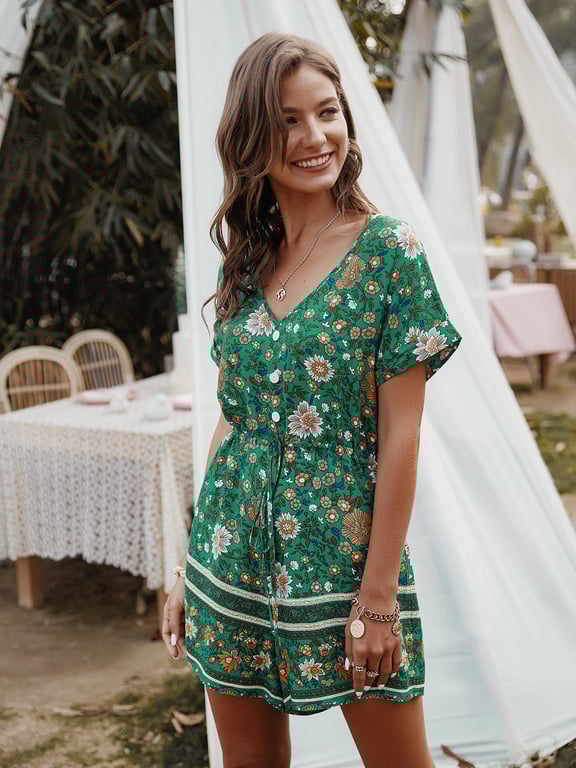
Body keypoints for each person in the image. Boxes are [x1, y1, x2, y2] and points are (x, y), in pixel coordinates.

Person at [163, 32, 462, 768]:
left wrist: (378, 597)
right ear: (251, 137)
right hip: (230, 558)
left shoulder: (388, 252)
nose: (315, 136)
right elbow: (236, 421)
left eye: (327, 112)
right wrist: (191, 565)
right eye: (288, 120)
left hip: (345, 563)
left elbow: (401, 435)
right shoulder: (247, 261)